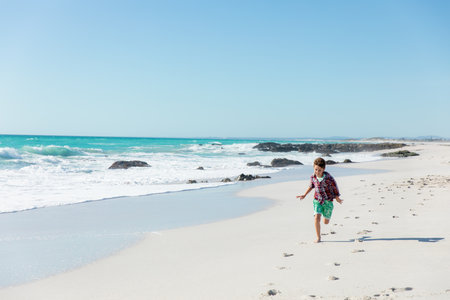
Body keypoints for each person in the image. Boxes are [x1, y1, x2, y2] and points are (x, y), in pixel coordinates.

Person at [297, 157, 343, 243]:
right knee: (316, 218)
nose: (317, 172)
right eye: (316, 169)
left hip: (328, 201)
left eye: (319, 170)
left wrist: (337, 198)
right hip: (317, 200)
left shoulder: (329, 177)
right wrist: (304, 195)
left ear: (323, 169)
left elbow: (334, 187)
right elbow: (311, 186)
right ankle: (318, 237)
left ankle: (326, 216)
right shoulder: (313, 177)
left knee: (326, 222)